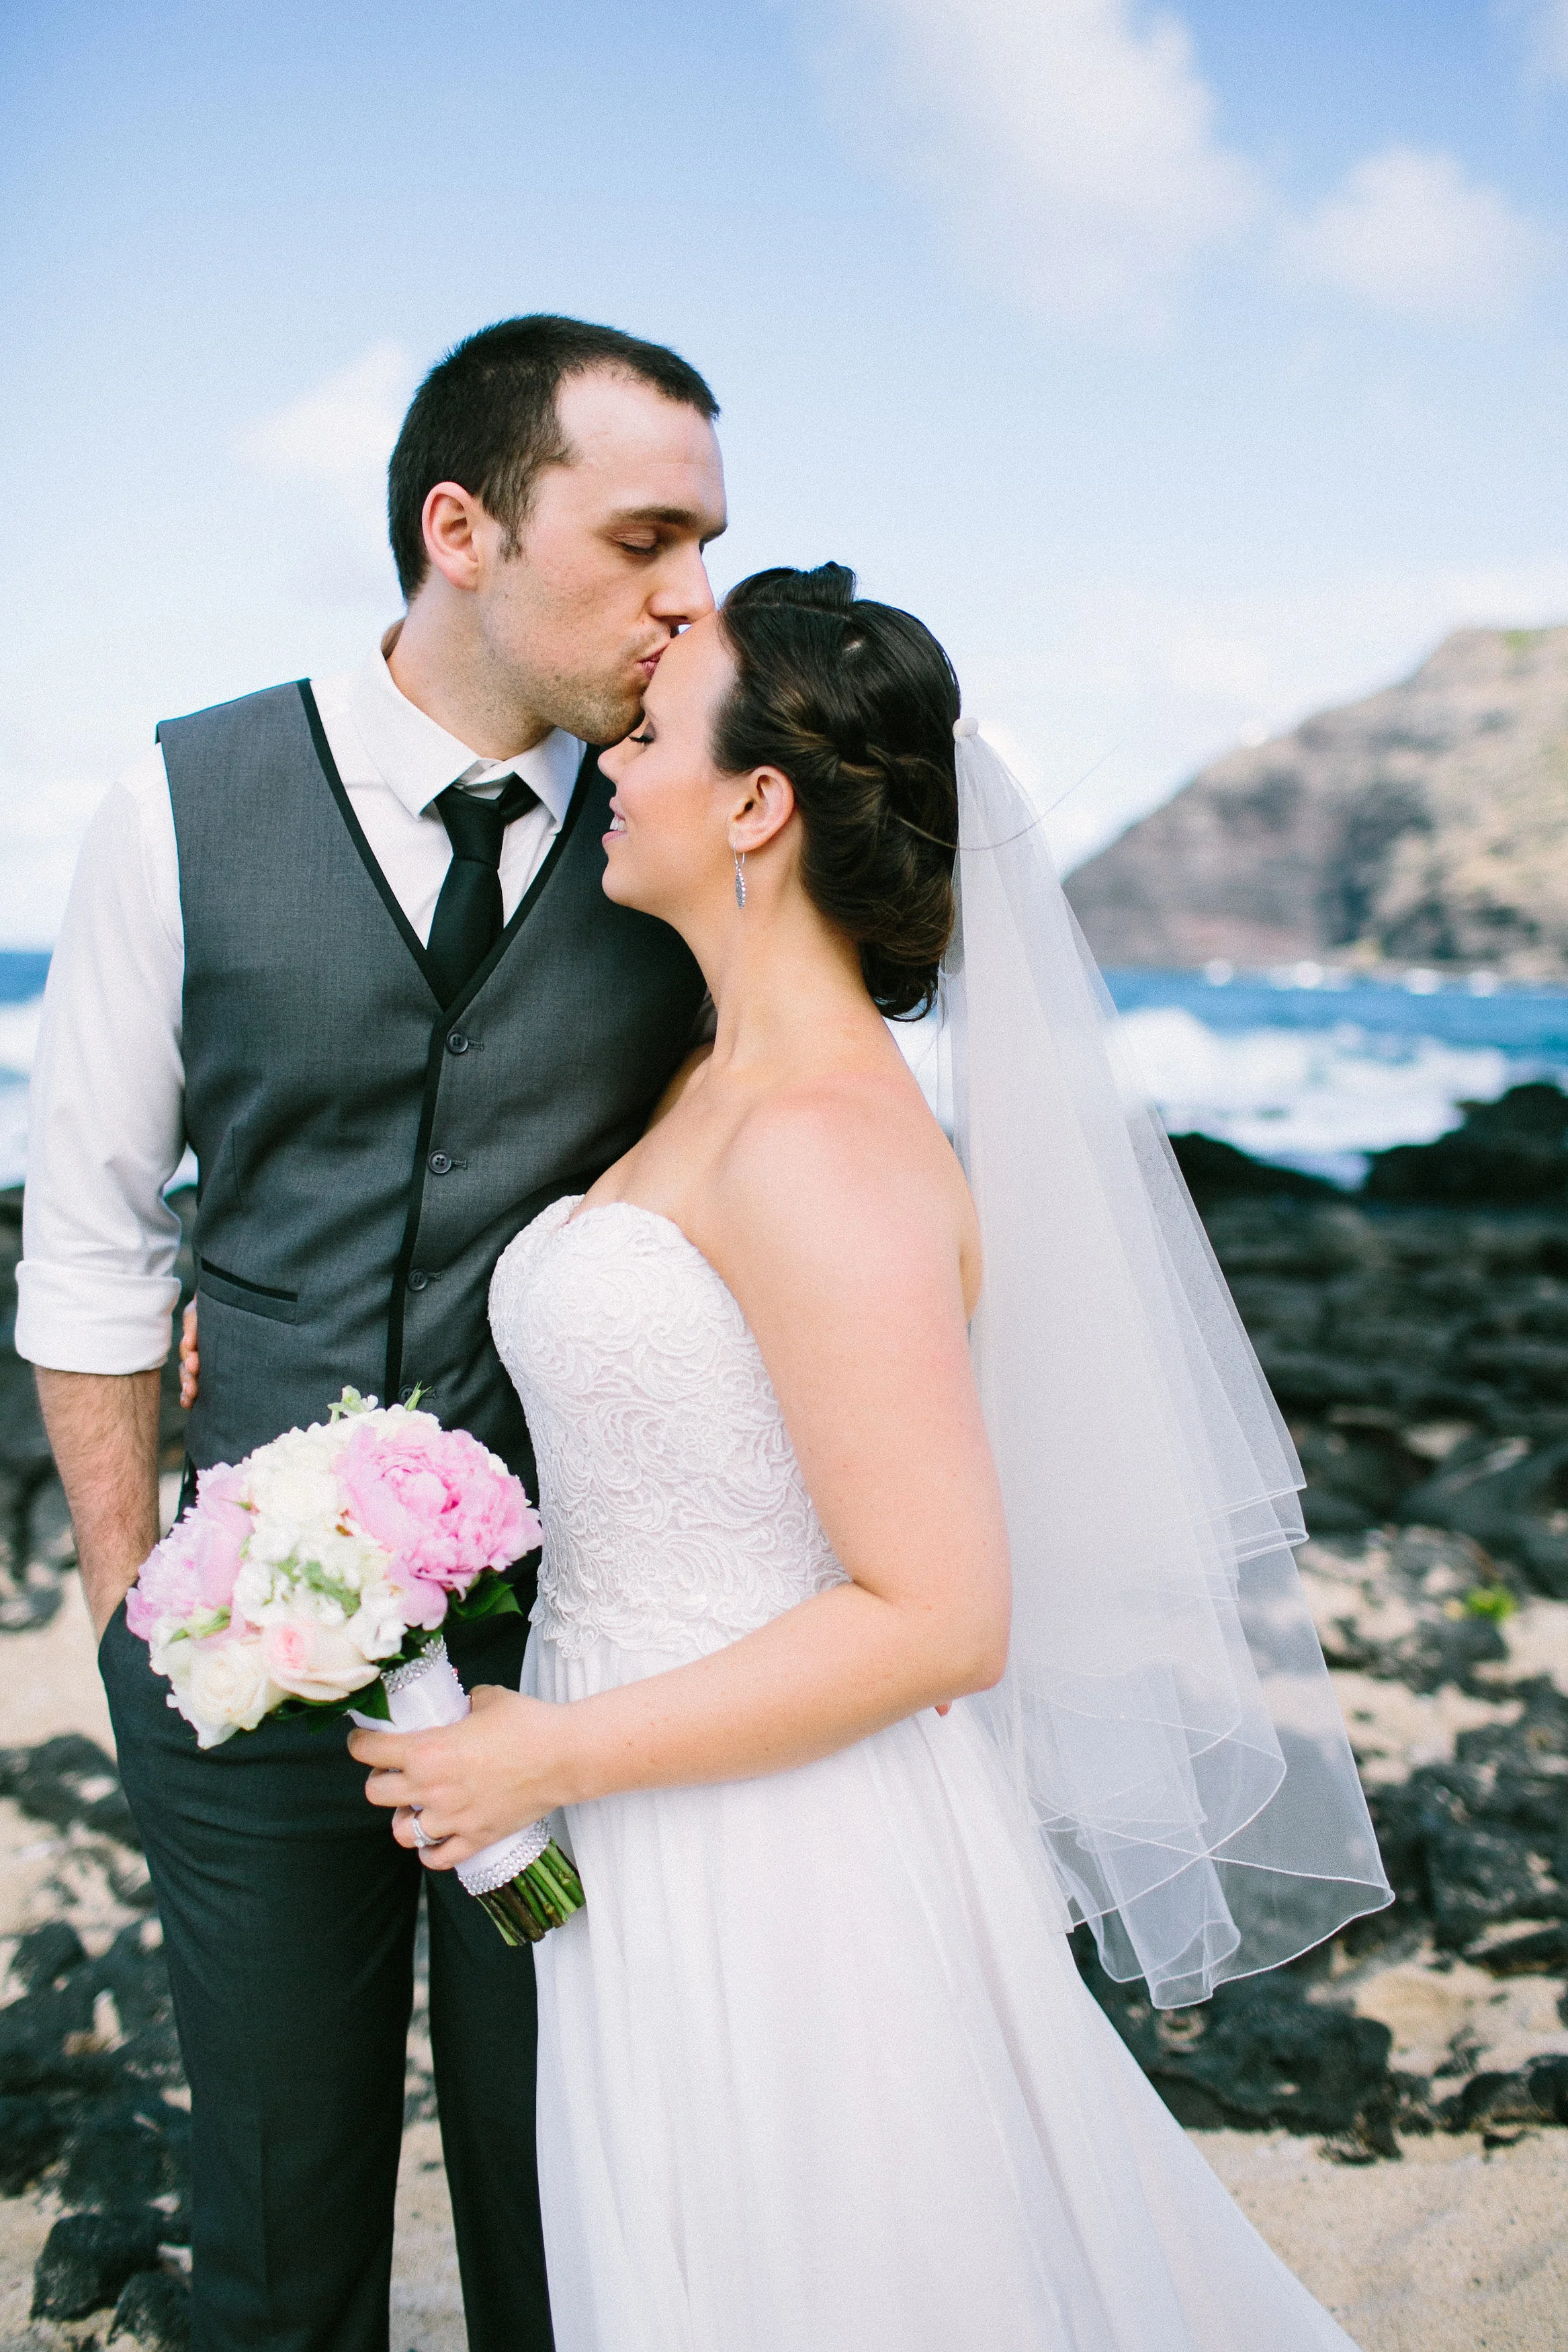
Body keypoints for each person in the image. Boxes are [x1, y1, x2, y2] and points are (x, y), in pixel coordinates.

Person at [351, 562, 1390, 2351]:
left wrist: (551, 1745)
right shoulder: (706, 1081)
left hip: (786, 1860)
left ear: (756, 803)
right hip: (664, 1819)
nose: (612, 760)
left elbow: (936, 1617)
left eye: (654, 735)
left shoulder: (826, 1146)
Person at [18, 313, 728, 2352]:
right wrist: (135, 1602)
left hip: (569, 1663)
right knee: (277, 2219)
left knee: (563, 2201)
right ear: (463, 528)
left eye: (710, 541)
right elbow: (87, 1247)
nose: (690, 596)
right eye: (645, 534)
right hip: (236, 1656)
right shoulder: (180, 801)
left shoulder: (667, 830)